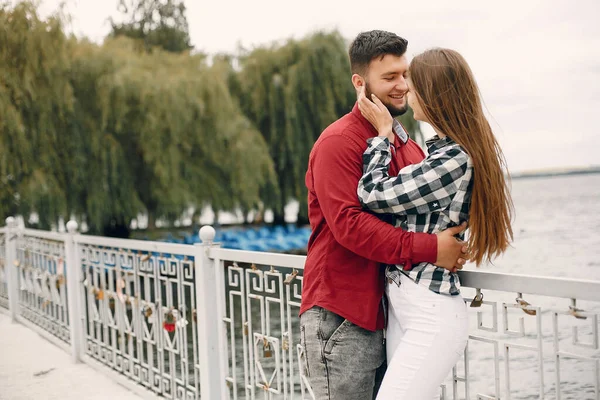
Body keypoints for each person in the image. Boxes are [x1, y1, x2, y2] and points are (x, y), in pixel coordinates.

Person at [299, 31, 469, 400]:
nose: (403, 86)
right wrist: (431, 249)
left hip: (389, 310)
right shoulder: (338, 142)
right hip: (343, 314)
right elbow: (350, 226)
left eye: (405, 74)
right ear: (360, 84)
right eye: (390, 78)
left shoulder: (403, 139)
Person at [356, 47, 514, 399]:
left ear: (433, 94)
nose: (406, 91)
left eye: (412, 84)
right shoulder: (442, 152)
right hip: (407, 304)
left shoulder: (454, 159)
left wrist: (382, 136)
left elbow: (372, 194)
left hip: (430, 312)